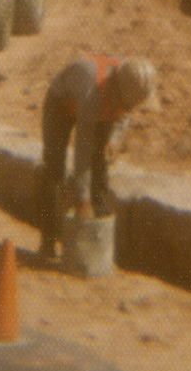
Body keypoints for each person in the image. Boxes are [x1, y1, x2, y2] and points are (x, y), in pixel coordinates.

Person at [37, 56, 157, 262]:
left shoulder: (129, 85)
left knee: (100, 165)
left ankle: (99, 237)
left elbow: (126, 112)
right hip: (61, 101)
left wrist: (113, 139)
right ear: (120, 92)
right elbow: (82, 153)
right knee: (54, 169)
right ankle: (48, 239)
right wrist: (82, 199)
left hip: (98, 102)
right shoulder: (93, 97)